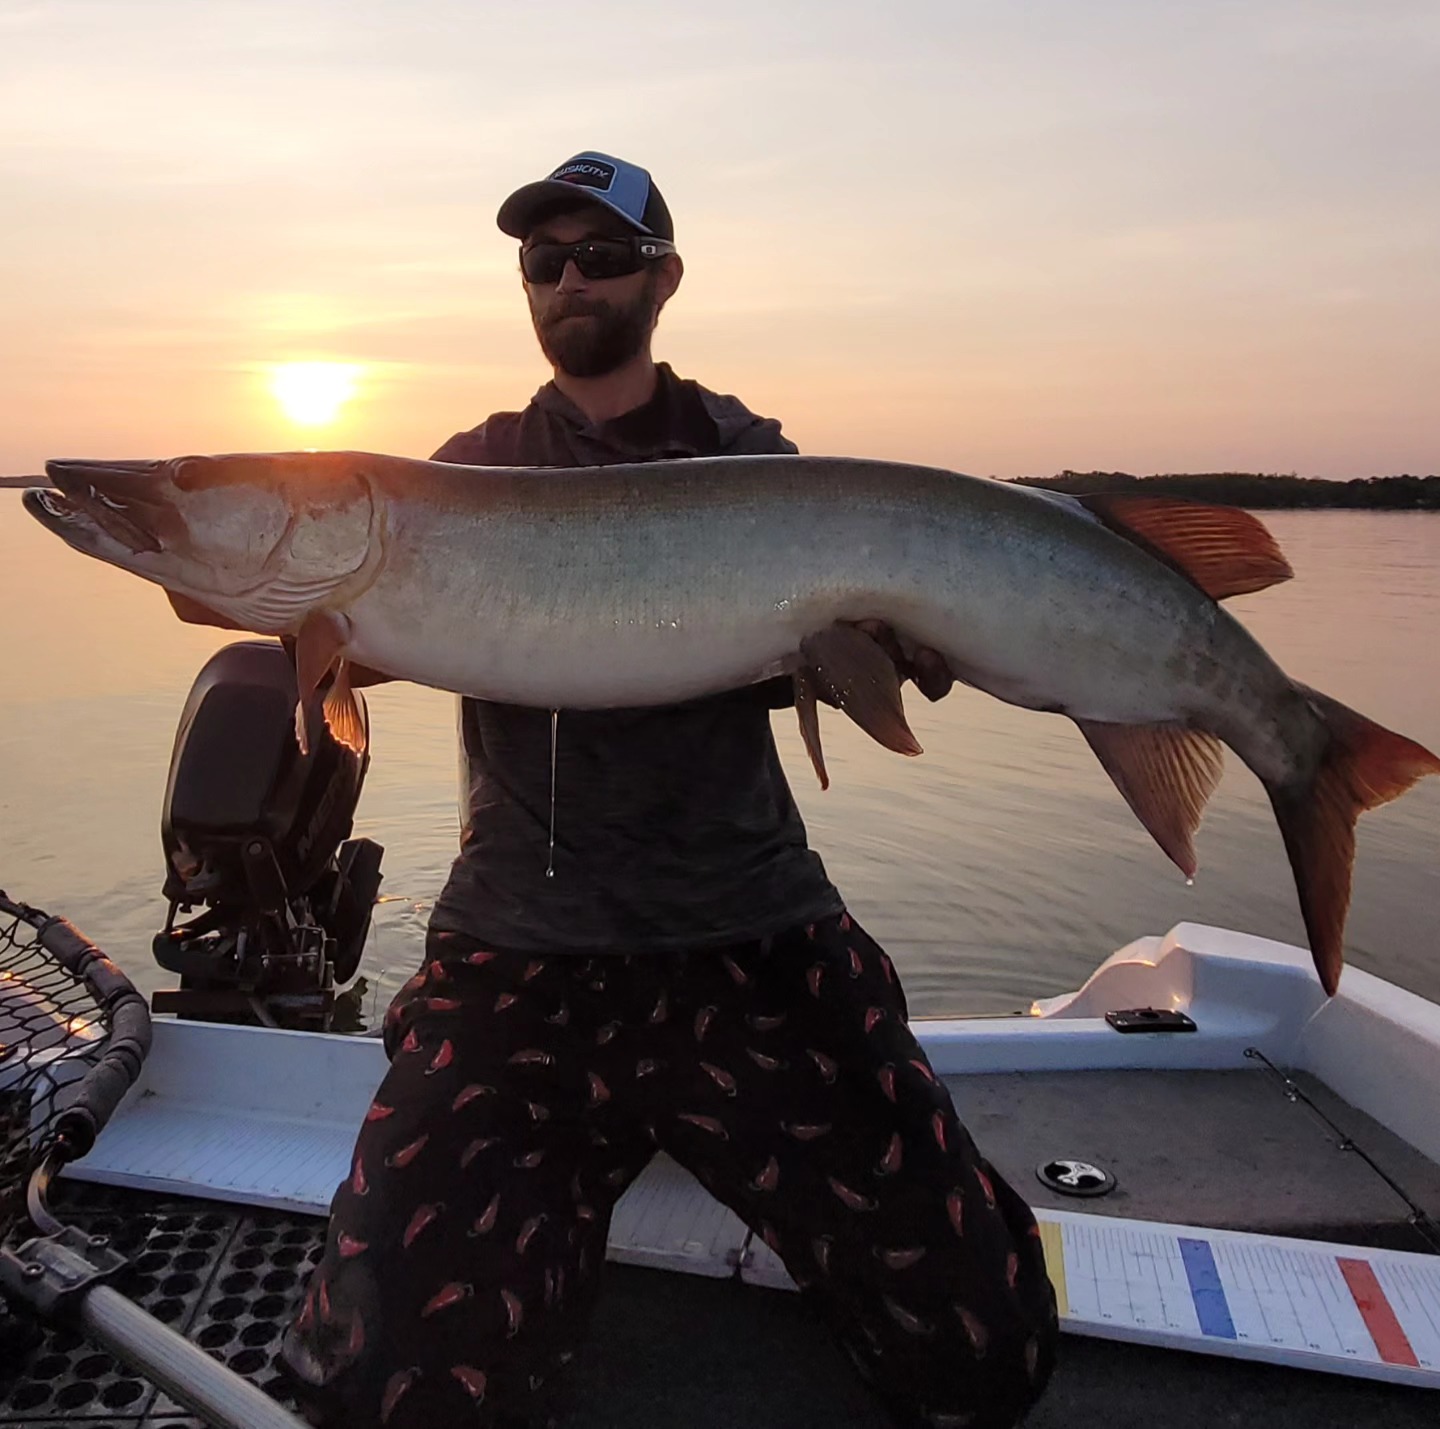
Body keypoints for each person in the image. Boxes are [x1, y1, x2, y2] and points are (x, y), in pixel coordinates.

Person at [280, 151, 1057, 1429]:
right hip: (518, 957)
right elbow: (340, 623)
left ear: (664, 275)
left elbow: (848, 653)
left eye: (601, 255)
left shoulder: (753, 457)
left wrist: (897, 653)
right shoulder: (465, 473)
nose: (569, 279)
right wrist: (269, 602)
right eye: (544, 260)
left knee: (984, 1349)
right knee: (384, 1384)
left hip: (750, 933)